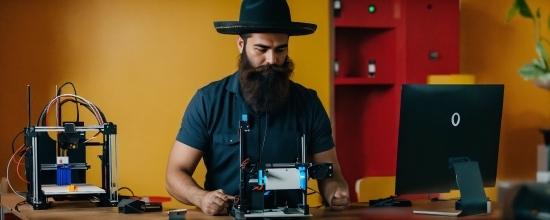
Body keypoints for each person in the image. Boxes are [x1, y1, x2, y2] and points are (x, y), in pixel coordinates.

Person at [165, 0, 349, 216]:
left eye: (281, 49)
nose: (272, 60)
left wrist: (335, 192)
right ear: (241, 45)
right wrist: (202, 197)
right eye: (261, 49)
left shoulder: (309, 103)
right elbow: (175, 173)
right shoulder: (208, 101)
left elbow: (331, 174)